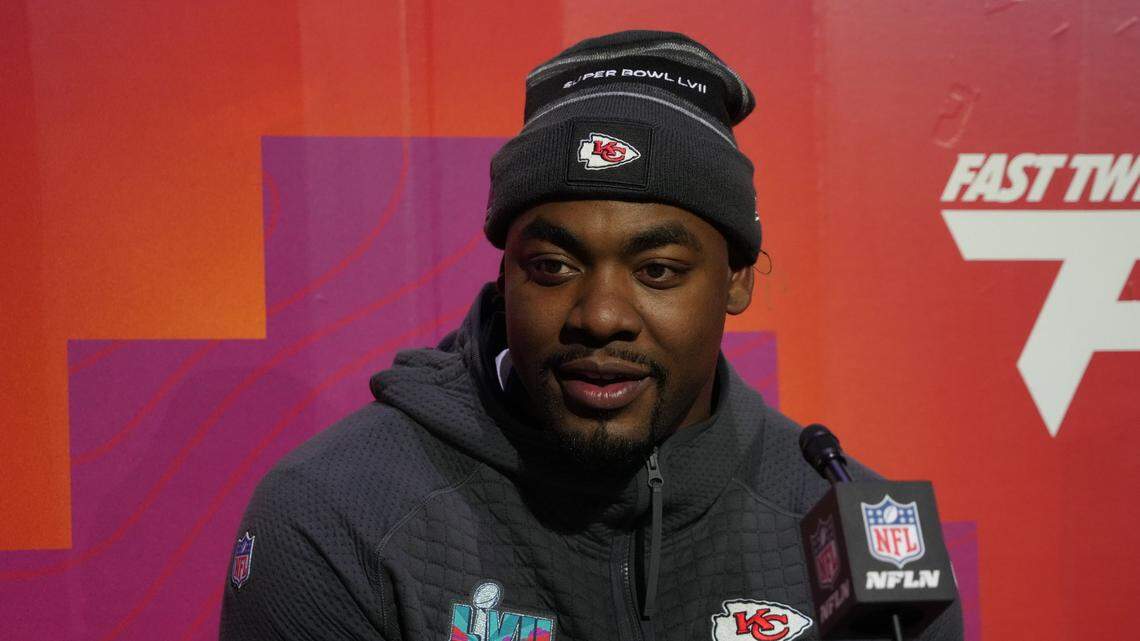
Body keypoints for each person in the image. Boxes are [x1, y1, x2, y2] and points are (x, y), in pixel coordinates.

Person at [220, 30, 963, 641]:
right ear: (506, 272)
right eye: (552, 264)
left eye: (659, 269)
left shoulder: (859, 544)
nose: (601, 314)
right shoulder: (335, 515)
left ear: (738, 279)